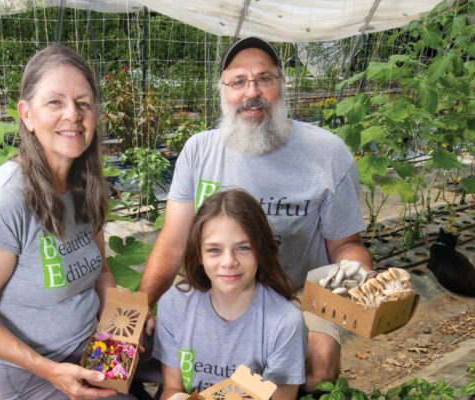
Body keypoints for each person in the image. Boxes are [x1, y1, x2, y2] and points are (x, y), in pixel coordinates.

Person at [139, 37, 373, 393]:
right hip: (217, 288)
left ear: (282, 85)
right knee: (201, 376)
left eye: (265, 79)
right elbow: (172, 242)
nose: (252, 92)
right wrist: (141, 305)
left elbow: (346, 246)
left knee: (318, 369)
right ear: (222, 90)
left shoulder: (327, 153)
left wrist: (354, 281)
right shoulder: (199, 150)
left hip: (298, 293)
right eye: (238, 82)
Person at [0, 45, 144, 400]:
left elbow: (100, 272)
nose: (73, 114)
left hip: (92, 346)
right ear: (27, 114)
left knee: (191, 345)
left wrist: (122, 324)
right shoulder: (3, 200)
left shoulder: (85, 184)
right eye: (55, 103)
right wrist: (50, 371)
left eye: (83, 103)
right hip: (34, 371)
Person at [154, 189, 307, 400]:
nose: (229, 262)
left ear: (261, 249)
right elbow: (172, 387)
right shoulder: (174, 305)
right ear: (198, 254)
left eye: (243, 248)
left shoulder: (286, 323)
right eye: (214, 250)